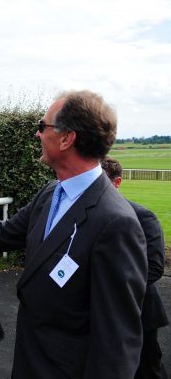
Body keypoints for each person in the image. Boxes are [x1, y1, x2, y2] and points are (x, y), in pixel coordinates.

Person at [0, 90, 148, 378]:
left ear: (67, 138)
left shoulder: (116, 223)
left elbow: (117, 342)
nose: (37, 134)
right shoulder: (51, 193)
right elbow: (2, 234)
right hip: (31, 362)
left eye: (42, 126)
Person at [101, 156, 168, 379]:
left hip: (140, 312)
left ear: (117, 182)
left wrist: (107, 286)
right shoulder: (87, 215)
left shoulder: (143, 217)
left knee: (148, 370)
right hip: (99, 315)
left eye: (101, 181)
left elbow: (155, 267)